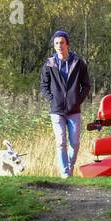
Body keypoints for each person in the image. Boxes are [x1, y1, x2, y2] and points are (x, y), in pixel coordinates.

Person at [39, 29, 91, 178]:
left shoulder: (78, 63)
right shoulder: (49, 64)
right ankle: (65, 172)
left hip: (74, 111)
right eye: (56, 43)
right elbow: (44, 85)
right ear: (54, 46)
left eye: (62, 43)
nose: (59, 46)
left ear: (67, 44)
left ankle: (70, 166)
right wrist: (52, 99)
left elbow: (86, 85)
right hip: (56, 110)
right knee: (61, 141)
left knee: (74, 143)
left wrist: (77, 100)